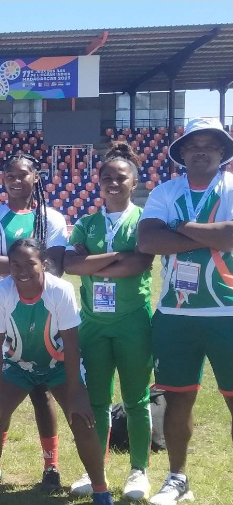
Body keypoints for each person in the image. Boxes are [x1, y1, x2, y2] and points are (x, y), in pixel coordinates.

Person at [0, 238, 113, 505]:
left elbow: (71, 345)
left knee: (81, 418)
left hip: (57, 365)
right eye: (15, 265)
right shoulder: (0, 292)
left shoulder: (60, 290)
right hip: (18, 365)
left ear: (44, 265)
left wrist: (76, 392)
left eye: (30, 264)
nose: (22, 271)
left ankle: (101, 491)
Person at [137, 117, 233, 505]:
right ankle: (178, 478)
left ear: (223, 152)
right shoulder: (165, 190)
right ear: (182, 152)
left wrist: (181, 227)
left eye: (211, 144)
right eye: (194, 144)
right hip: (174, 316)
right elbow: (147, 241)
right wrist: (211, 232)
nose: (201, 150)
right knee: (177, 399)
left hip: (227, 312)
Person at [64, 142, 155, 500]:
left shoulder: (144, 221)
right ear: (97, 183)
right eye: (106, 178)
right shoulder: (87, 222)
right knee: (96, 402)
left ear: (135, 182)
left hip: (133, 320)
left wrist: (95, 261)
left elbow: (140, 264)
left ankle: (138, 471)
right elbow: (71, 265)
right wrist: (119, 256)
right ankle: (95, 470)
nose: (113, 183)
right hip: (93, 323)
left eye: (121, 178)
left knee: (136, 400)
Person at [0, 152, 68, 491]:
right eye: (9, 173)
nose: (16, 179)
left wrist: (15, 269)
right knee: (1, 394)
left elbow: (55, 264)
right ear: (2, 178)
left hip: (46, 313)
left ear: (36, 178)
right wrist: (26, 268)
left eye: (23, 173)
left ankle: (51, 467)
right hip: (4, 313)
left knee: (42, 394)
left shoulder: (51, 217)